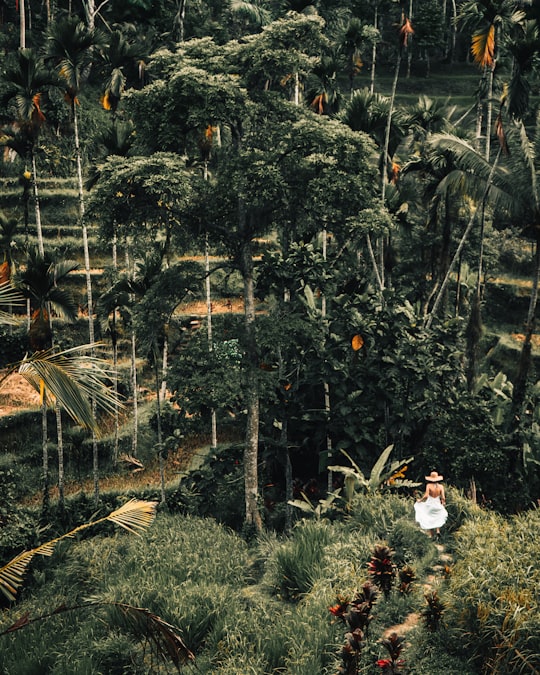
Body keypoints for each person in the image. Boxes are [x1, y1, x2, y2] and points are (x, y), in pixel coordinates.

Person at [414, 470, 448, 540]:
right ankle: (438, 531)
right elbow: (443, 497)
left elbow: (426, 496)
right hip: (437, 504)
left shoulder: (429, 485)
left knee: (429, 518)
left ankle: (432, 536)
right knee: (438, 517)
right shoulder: (441, 487)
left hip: (430, 504)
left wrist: (420, 500)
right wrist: (443, 502)